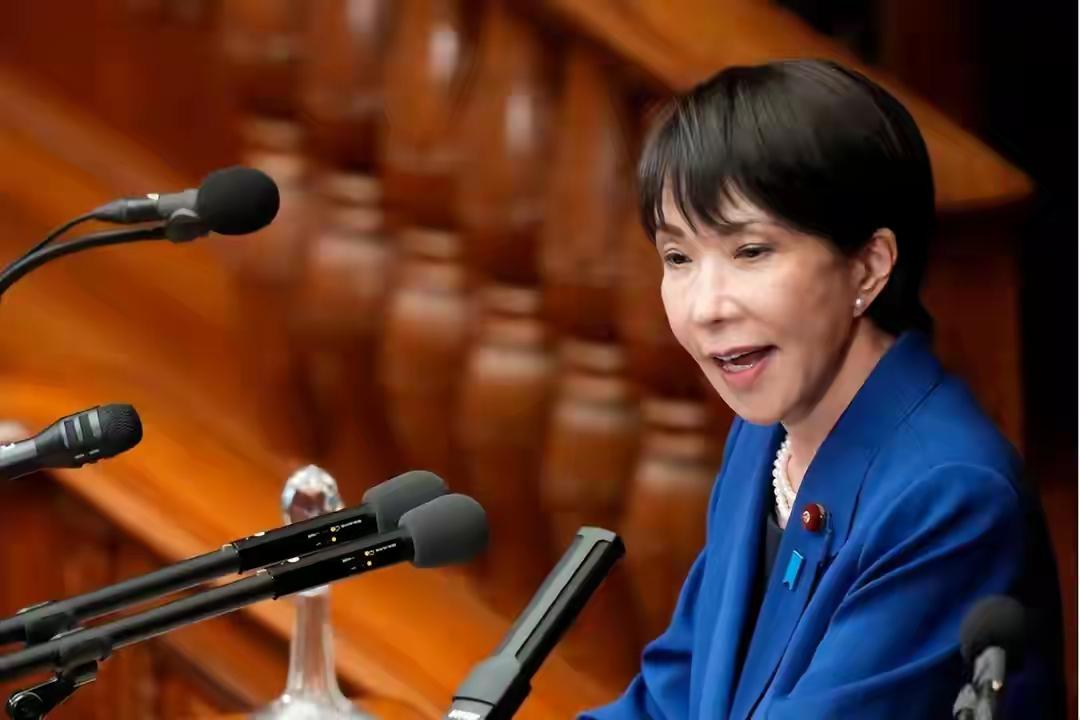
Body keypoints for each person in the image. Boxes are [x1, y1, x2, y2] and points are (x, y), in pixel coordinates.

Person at [581, 59, 1063, 719]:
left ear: (868, 266)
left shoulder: (950, 495)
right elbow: (672, 698)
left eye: (751, 252)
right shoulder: (764, 437)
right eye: (678, 258)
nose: (706, 307)